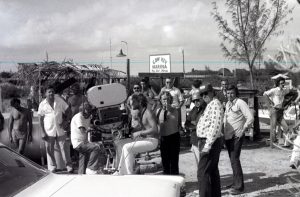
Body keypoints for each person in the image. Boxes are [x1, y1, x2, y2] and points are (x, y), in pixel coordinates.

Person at [114, 94, 158, 175]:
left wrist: (139, 132)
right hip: (145, 139)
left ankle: (129, 173)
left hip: (152, 141)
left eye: (133, 102)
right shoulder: (141, 113)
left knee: (127, 148)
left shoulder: (148, 112)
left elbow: (155, 129)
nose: (131, 104)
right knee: (119, 144)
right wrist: (131, 130)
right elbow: (142, 127)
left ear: (140, 102)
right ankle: (120, 170)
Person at [224, 85, 254, 195]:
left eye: (232, 93)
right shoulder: (227, 104)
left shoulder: (240, 102)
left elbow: (250, 117)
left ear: (236, 93)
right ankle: (235, 182)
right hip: (228, 136)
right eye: (228, 93)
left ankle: (239, 187)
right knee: (233, 161)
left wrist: (243, 130)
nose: (229, 95)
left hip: (237, 136)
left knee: (235, 160)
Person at [38, 85, 73, 173]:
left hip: (60, 130)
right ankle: (53, 167)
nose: (51, 93)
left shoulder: (59, 101)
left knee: (64, 148)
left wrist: (66, 121)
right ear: (45, 93)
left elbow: (69, 111)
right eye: (49, 92)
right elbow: (40, 119)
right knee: (49, 150)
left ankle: (69, 167)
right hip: (49, 131)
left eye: (52, 91)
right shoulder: (42, 104)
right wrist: (42, 132)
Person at [196, 83, 224, 197]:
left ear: (212, 92)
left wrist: (207, 145)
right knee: (212, 172)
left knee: (202, 173)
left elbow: (215, 127)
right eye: (202, 94)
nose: (203, 96)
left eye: (206, 93)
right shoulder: (210, 104)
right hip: (208, 142)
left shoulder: (215, 104)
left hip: (210, 142)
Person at [71, 102, 101, 174]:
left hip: (83, 142)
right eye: (88, 112)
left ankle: (81, 175)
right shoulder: (79, 117)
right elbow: (82, 130)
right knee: (96, 147)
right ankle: (91, 168)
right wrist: (91, 129)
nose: (89, 114)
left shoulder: (87, 116)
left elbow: (89, 126)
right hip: (78, 143)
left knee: (83, 160)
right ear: (83, 111)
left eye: (90, 112)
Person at [157, 91, 181, 175]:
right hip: (163, 138)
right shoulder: (158, 111)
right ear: (160, 100)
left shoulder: (174, 110)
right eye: (164, 99)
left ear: (170, 100)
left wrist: (167, 107)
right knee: (165, 161)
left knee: (174, 161)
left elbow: (170, 110)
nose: (165, 101)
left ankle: (176, 180)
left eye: (167, 99)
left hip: (173, 137)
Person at [263, 77, 291, 146]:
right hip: (274, 110)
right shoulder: (274, 90)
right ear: (278, 84)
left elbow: (293, 92)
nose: (283, 84)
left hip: (280, 111)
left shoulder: (284, 90)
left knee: (286, 127)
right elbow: (265, 94)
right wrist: (269, 106)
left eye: (283, 83)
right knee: (273, 128)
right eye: (281, 83)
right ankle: (272, 144)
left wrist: (288, 103)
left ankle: (286, 143)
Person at [185, 92, 206, 165]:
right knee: (198, 160)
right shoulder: (193, 110)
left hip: (204, 138)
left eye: (198, 100)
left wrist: (196, 124)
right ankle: (200, 175)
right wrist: (194, 126)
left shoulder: (206, 109)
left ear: (201, 99)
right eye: (194, 101)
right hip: (195, 138)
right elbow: (186, 124)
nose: (196, 102)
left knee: (205, 159)